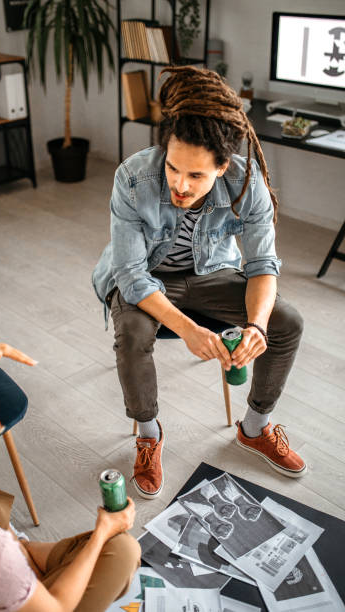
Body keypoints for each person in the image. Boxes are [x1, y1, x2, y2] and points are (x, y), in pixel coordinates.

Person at [92, 66, 306, 500]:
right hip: (147, 277)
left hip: (212, 273)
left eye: (196, 176)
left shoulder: (247, 183)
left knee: (287, 321)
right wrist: (188, 329)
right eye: (173, 168)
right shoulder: (132, 178)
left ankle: (255, 427)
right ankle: (149, 434)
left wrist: (257, 328)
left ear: (223, 166)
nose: (179, 184)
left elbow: (263, 264)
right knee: (132, 332)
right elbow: (132, 276)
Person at [0, 341, 140, 612]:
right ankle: (28, 562)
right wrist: (102, 532)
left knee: (4, 528)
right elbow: (56, 608)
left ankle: (27, 555)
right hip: (29, 592)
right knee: (124, 550)